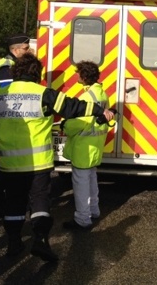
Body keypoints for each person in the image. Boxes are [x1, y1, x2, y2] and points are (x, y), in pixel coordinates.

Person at [0, 53, 114, 262]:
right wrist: (100, 110)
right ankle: (41, 241)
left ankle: (13, 242)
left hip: (9, 164)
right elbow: (73, 107)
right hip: (38, 164)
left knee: (14, 204)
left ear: (15, 72)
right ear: (37, 73)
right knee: (40, 203)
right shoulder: (43, 94)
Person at [0, 35, 32, 216]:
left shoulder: (12, 64)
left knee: (8, 158)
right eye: (26, 48)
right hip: (3, 115)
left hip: (5, 115)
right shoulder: (6, 65)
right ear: (15, 50)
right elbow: (11, 92)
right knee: (7, 159)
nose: (28, 51)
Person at [62, 61, 110, 230]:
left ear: (83, 76)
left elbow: (78, 123)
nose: (76, 76)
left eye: (78, 73)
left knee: (81, 183)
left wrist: (64, 126)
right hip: (94, 145)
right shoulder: (102, 94)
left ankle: (82, 219)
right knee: (91, 180)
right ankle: (94, 210)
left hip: (83, 147)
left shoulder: (87, 97)